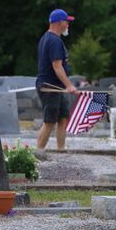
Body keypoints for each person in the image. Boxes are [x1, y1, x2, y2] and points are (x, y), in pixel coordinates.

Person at [36, 9, 79, 150]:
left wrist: (65, 86)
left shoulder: (49, 38)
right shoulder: (53, 41)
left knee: (62, 118)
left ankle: (61, 149)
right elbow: (57, 66)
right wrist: (70, 86)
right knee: (49, 121)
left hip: (58, 87)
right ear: (59, 22)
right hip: (50, 86)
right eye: (67, 22)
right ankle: (38, 153)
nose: (68, 25)